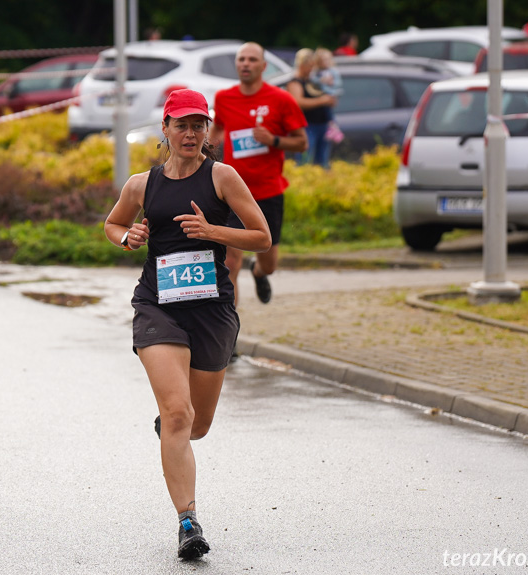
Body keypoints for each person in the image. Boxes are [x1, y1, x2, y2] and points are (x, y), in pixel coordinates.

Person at [104, 89, 271, 559]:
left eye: (199, 125)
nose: (191, 133)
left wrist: (212, 231)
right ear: (166, 129)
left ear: (208, 131)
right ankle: (188, 521)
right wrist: (128, 236)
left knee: (198, 425)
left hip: (212, 309)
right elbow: (113, 224)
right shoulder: (142, 185)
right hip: (159, 305)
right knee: (179, 414)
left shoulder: (223, 177)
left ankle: (175, 428)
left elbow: (262, 236)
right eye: (182, 124)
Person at [209, 42, 307, 306]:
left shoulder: (281, 99)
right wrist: (206, 150)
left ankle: (259, 272)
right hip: (231, 194)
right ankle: (228, 337)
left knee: (270, 263)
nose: (245, 64)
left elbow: (302, 142)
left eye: (252, 60)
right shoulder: (224, 98)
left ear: (263, 66)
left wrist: (273, 140)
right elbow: (217, 129)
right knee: (229, 263)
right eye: (241, 59)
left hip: (268, 193)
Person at [287, 48, 338, 169]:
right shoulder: (295, 82)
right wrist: (322, 101)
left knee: (322, 162)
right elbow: (298, 102)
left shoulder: (311, 80)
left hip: (322, 124)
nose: (311, 70)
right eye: (309, 66)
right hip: (307, 126)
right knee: (305, 161)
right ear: (301, 65)